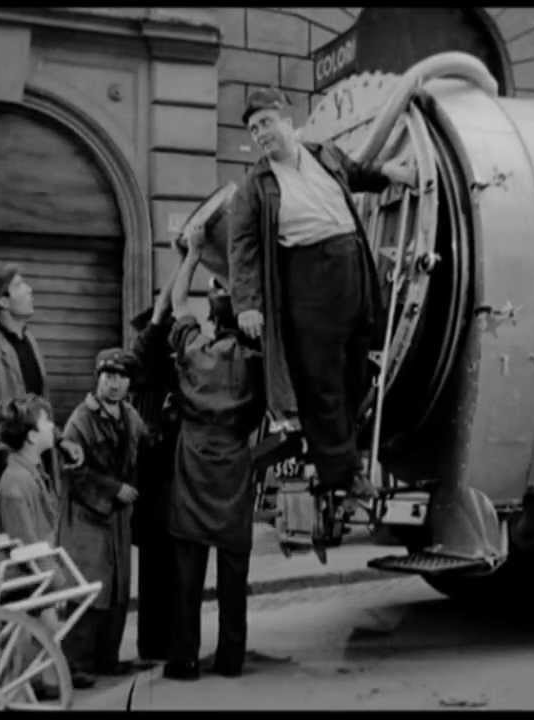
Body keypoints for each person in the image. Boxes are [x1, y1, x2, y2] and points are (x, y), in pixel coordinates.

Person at [226, 87, 416, 512]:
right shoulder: (255, 186)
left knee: (360, 365)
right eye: (253, 129)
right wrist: (247, 304)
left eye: (265, 124)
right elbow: (241, 249)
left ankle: (350, 452)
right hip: (308, 278)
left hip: (353, 265)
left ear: (287, 121)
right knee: (323, 380)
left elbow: (359, 172)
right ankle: (341, 475)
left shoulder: (324, 154)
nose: (259, 134)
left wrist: (391, 173)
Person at [163, 230, 266, 681]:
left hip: (193, 467)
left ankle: (184, 659)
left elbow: (178, 303)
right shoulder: (256, 358)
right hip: (235, 467)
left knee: (187, 576)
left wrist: (192, 257)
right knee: (232, 573)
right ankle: (230, 659)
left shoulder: (191, 349)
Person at [0, 259, 84, 546]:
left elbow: (33, 408)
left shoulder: (29, 341)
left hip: (35, 482)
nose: (30, 289)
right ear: (4, 301)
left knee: (37, 567)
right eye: (20, 285)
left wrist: (59, 441)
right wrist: (8, 456)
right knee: (3, 578)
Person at [0, 393, 96, 691]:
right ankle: (30, 683)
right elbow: (26, 546)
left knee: (50, 634)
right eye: (47, 422)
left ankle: (42, 681)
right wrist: (55, 578)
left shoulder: (30, 473)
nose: (53, 427)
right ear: (31, 436)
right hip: (25, 582)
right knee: (42, 633)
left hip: (37, 576)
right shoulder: (16, 484)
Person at [60, 348, 149, 679]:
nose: (115, 384)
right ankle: (75, 665)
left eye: (122, 378)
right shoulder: (80, 420)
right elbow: (73, 472)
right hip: (87, 517)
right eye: (109, 377)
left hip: (118, 519)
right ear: (97, 378)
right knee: (89, 588)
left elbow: (146, 445)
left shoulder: (130, 416)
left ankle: (106, 660)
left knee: (119, 589)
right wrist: (113, 489)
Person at [124, 260, 186, 663]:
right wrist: (184, 263)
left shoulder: (171, 379)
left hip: (170, 485)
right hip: (152, 485)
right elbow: (159, 321)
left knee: (166, 569)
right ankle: (153, 645)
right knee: (156, 569)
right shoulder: (144, 370)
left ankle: (163, 642)